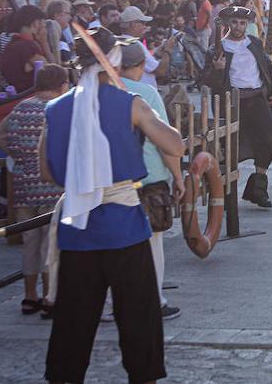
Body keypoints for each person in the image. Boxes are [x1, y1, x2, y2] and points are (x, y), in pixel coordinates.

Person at [42, 27, 184, 384]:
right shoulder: (132, 103)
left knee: (73, 323)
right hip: (124, 226)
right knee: (139, 318)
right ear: (114, 61)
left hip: (77, 227)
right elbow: (175, 146)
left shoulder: (56, 108)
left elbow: (47, 171)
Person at [116, 41, 184, 322]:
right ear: (141, 66)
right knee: (153, 244)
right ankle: (154, 299)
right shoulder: (145, 93)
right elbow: (165, 143)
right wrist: (178, 177)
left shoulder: (96, 93)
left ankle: (111, 303)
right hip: (149, 177)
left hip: (115, 178)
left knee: (116, 244)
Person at [0, 64, 67, 318]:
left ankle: (29, 296)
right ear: (60, 85)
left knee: (30, 243)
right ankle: (50, 297)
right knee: (50, 244)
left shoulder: (21, 106)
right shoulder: (58, 109)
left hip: (25, 185)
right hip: (52, 186)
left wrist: (18, 154)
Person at [208, 6, 272, 207]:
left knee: (267, 140)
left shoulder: (255, 43)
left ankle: (258, 189)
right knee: (228, 147)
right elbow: (208, 82)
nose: (239, 27)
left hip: (257, 98)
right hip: (232, 102)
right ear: (227, 24)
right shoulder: (218, 49)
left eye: (242, 23)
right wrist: (217, 70)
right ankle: (225, 192)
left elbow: (270, 70)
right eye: (234, 22)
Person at [0, 5, 47, 93]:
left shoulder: (12, 44)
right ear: (35, 24)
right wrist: (44, 43)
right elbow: (54, 74)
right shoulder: (28, 46)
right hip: (28, 96)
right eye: (43, 25)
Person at [44, 0, 72, 65]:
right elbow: (56, 62)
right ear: (57, 15)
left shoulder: (61, 33)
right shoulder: (49, 32)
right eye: (67, 13)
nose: (70, 17)